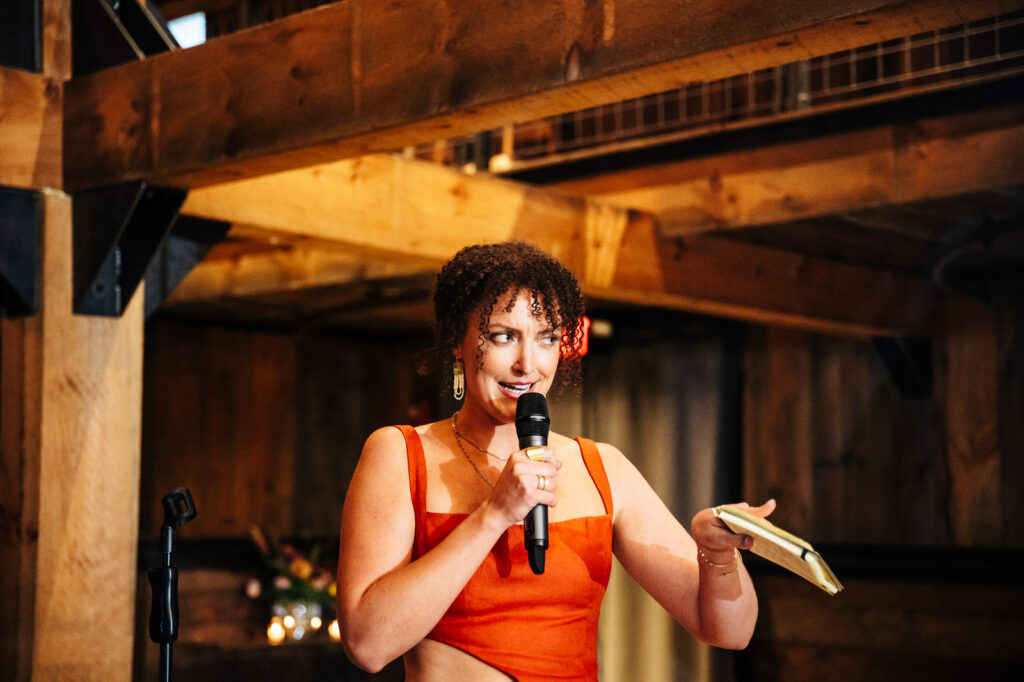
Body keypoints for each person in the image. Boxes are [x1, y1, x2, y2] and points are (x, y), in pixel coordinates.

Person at [337, 241, 775, 681]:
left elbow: (731, 632)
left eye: (546, 338)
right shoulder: (400, 453)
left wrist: (717, 556)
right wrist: (495, 514)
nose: (528, 363)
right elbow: (367, 645)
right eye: (503, 336)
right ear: (457, 339)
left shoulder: (602, 467)